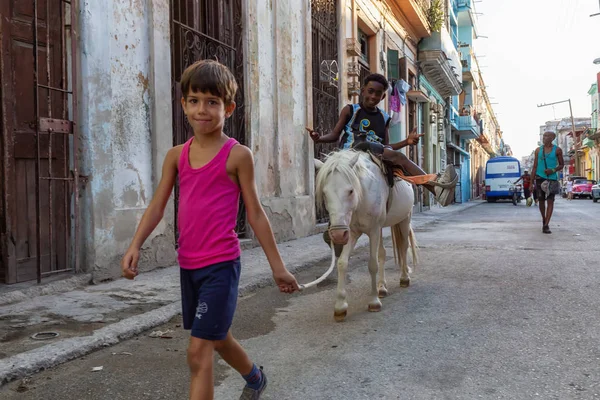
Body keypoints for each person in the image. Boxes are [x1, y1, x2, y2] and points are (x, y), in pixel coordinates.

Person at [121, 60, 299, 400]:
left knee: (198, 351)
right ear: (184, 105)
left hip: (220, 266)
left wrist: (279, 267)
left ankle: (253, 377)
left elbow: (257, 215)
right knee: (217, 337)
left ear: (228, 108)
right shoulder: (176, 156)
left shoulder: (237, 156)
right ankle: (255, 376)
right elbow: (158, 205)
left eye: (212, 102)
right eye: (194, 100)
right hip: (189, 265)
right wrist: (135, 245)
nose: (202, 109)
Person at [306, 73, 458, 207]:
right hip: (351, 153)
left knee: (398, 163)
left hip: (374, 153)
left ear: (383, 97)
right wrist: (319, 139)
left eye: (378, 94)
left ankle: (436, 191)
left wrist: (406, 142)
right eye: (370, 91)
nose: (373, 96)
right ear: (362, 90)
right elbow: (334, 134)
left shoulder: (384, 118)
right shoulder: (350, 110)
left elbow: (386, 147)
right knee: (332, 181)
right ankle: (334, 223)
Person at [531, 131, 565, 234]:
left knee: (550, 201)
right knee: (541, 201)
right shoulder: (538, 150)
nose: (544, 137)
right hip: (539, 178)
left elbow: (561, 165)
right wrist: (531, 182)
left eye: (547, 136)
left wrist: (552, 170)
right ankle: (544, 218)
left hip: (552, 179)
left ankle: (546, 225)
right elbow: (535, 166)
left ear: (552, 138)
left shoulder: (557, 150)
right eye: (543, 136)